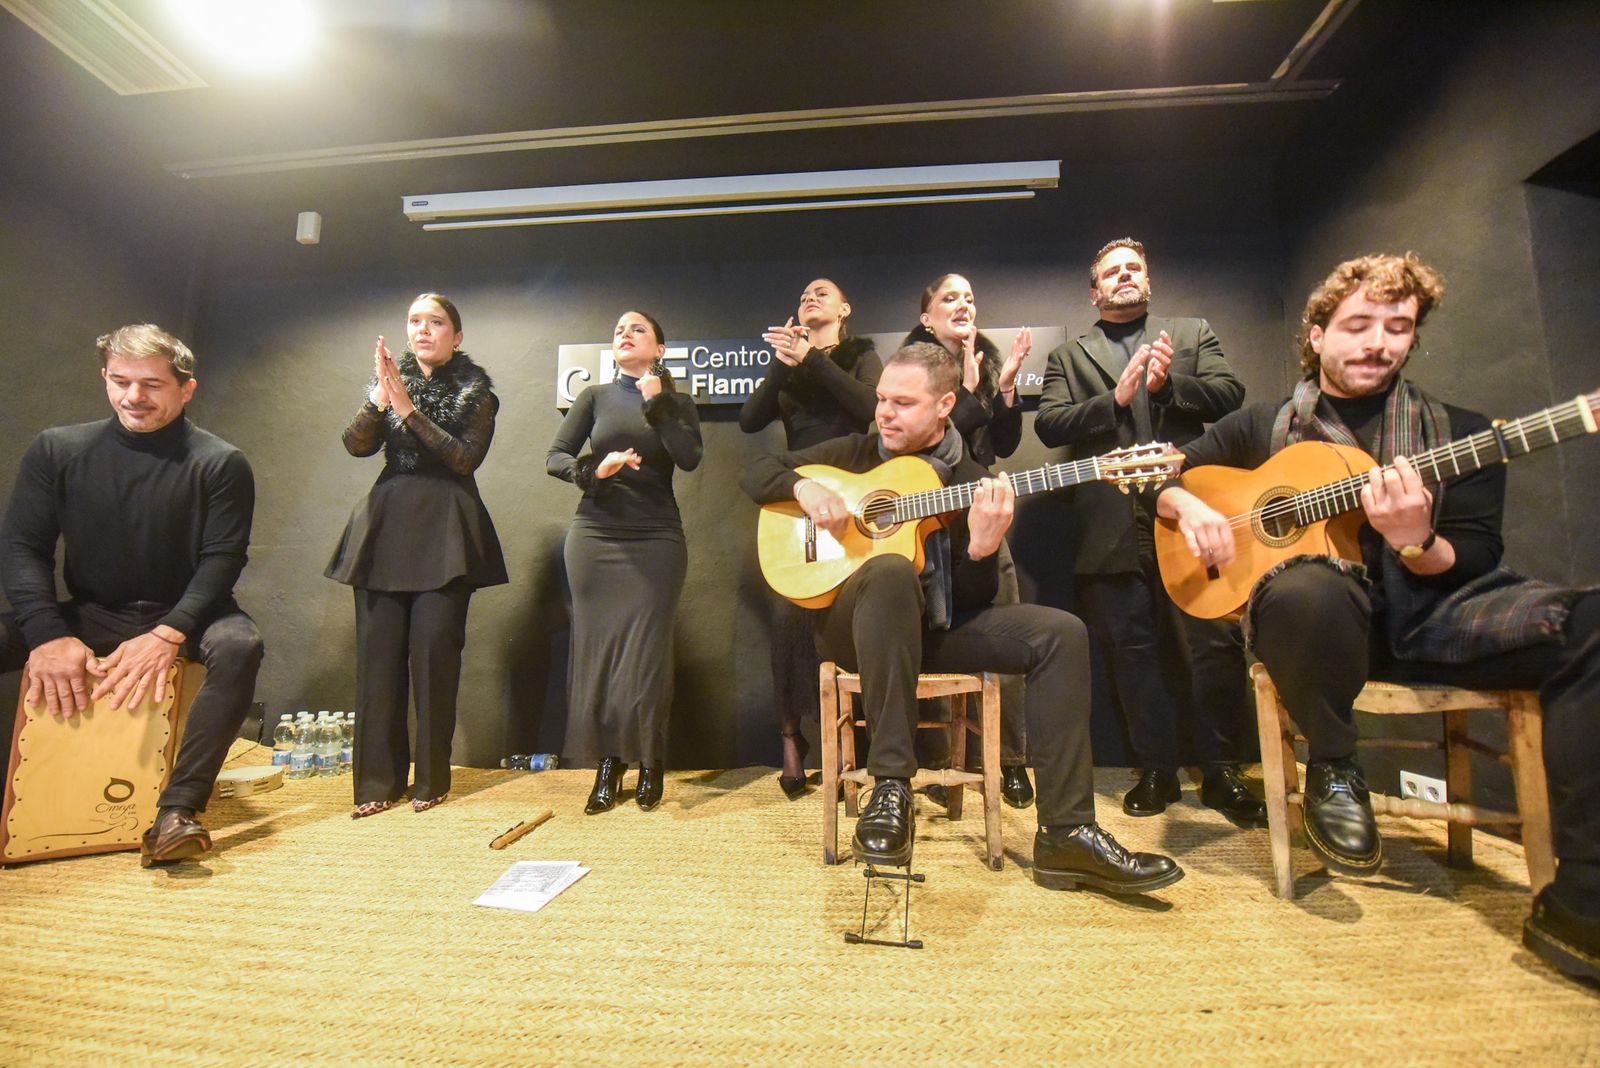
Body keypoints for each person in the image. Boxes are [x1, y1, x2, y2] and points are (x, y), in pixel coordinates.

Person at [1156, 252, 1600, 983]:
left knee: (1592, 623)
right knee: (1306, 588)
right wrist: (1188, 504)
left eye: (1398, 327)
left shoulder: (1460, 435)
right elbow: (1164, 481)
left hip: (1437, 619)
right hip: (1319, 630)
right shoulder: (1261, 426)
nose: (1378, 343)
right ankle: (1333, 764)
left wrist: (1416, 543)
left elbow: (1480, 555)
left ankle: (1583, 902)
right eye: (1359, 325)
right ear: (1318, 333)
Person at [743, 342, 1182, 894]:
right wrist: (802, 486)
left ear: (945, 405)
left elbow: (971, 600)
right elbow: (757, 469)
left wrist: (979, 551)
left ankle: (1067, 834)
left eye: (902, 403)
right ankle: (892, 787)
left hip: (932, 632)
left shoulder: (970, 478)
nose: (883, 413)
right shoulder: (856, 453)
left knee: (1061, 634)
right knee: (889, 571)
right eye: (882, 399)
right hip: (859, 631)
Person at [0, 324, 263, 866]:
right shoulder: (58, 449)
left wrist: (169, 633)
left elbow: (222, 560)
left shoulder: (220, 462)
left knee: (240, 646)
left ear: (186, 389)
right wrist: (48, 636)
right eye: (120, 381)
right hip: (94, 610)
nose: (133, 397)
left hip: (190, 614)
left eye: (151, 384)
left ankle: (176, 812)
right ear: (104, 378)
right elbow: (24, 548)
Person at [1036, 238, 1263, 825]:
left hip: (1192, 513)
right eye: (1111, 271)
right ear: (1095, 291)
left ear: (1148, 279)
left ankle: (1222, 770)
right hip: (1109, 524)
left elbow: (1231, 397)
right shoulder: (1069, 355)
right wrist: (1115, 398)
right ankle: (1157, 769)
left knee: (1211, 643)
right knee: (1130, 650)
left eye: (1133, 267)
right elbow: (1052, 422)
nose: (1124, 276)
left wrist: (1166, 388)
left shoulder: (1190, 333)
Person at [327, 293, 506, 818]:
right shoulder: (387, 384)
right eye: (414, 321)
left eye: (436, 322)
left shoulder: (477, 393)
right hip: (385, 528)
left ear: (457, 335)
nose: (423, 330)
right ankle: (377, 783)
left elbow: (463, 458)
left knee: (434, 658)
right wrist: (381, 400)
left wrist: (408, 408)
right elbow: (356, 446)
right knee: (377, 662)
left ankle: (431, 778)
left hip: (446, 527)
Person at [547, 311, 703, 814]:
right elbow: (556, 456)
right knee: (600, 654)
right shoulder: (594, 397)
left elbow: (689, 456)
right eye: (618, 329)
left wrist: (656, 401)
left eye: (637, 329)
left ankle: (651, 760)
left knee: (646, 657)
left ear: (659, 348)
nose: (624, 334)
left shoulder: (677, 403)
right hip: (594, 537)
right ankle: (610, 762)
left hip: (656, 539)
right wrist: (596, 468)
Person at [743, 278, 882, 799]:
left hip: (858, 490)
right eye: (803, 293)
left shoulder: (862, 355)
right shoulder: (789, 364)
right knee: (788, 616)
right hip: (796, 492)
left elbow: (871, 407)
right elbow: (750, 418)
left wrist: (815, 359)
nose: (810, 296)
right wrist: (785, 361)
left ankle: (866, 750)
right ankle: (791, 738)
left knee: (860, 610)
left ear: (845, 309)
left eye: (823, 292)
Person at [902, 273, 1035, 808]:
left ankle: (1010, 761)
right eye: (949, 298)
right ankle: (935, 760)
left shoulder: (989, 356)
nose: (964, 305)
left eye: (970, 297)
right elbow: (931, 434)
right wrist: (974, 393)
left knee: (1006, 632)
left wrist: (1001, 391)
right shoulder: (913, 368)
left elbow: (1001, 444)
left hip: (980, 515)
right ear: (927, 316)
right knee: (931, 640)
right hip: (925, 522)